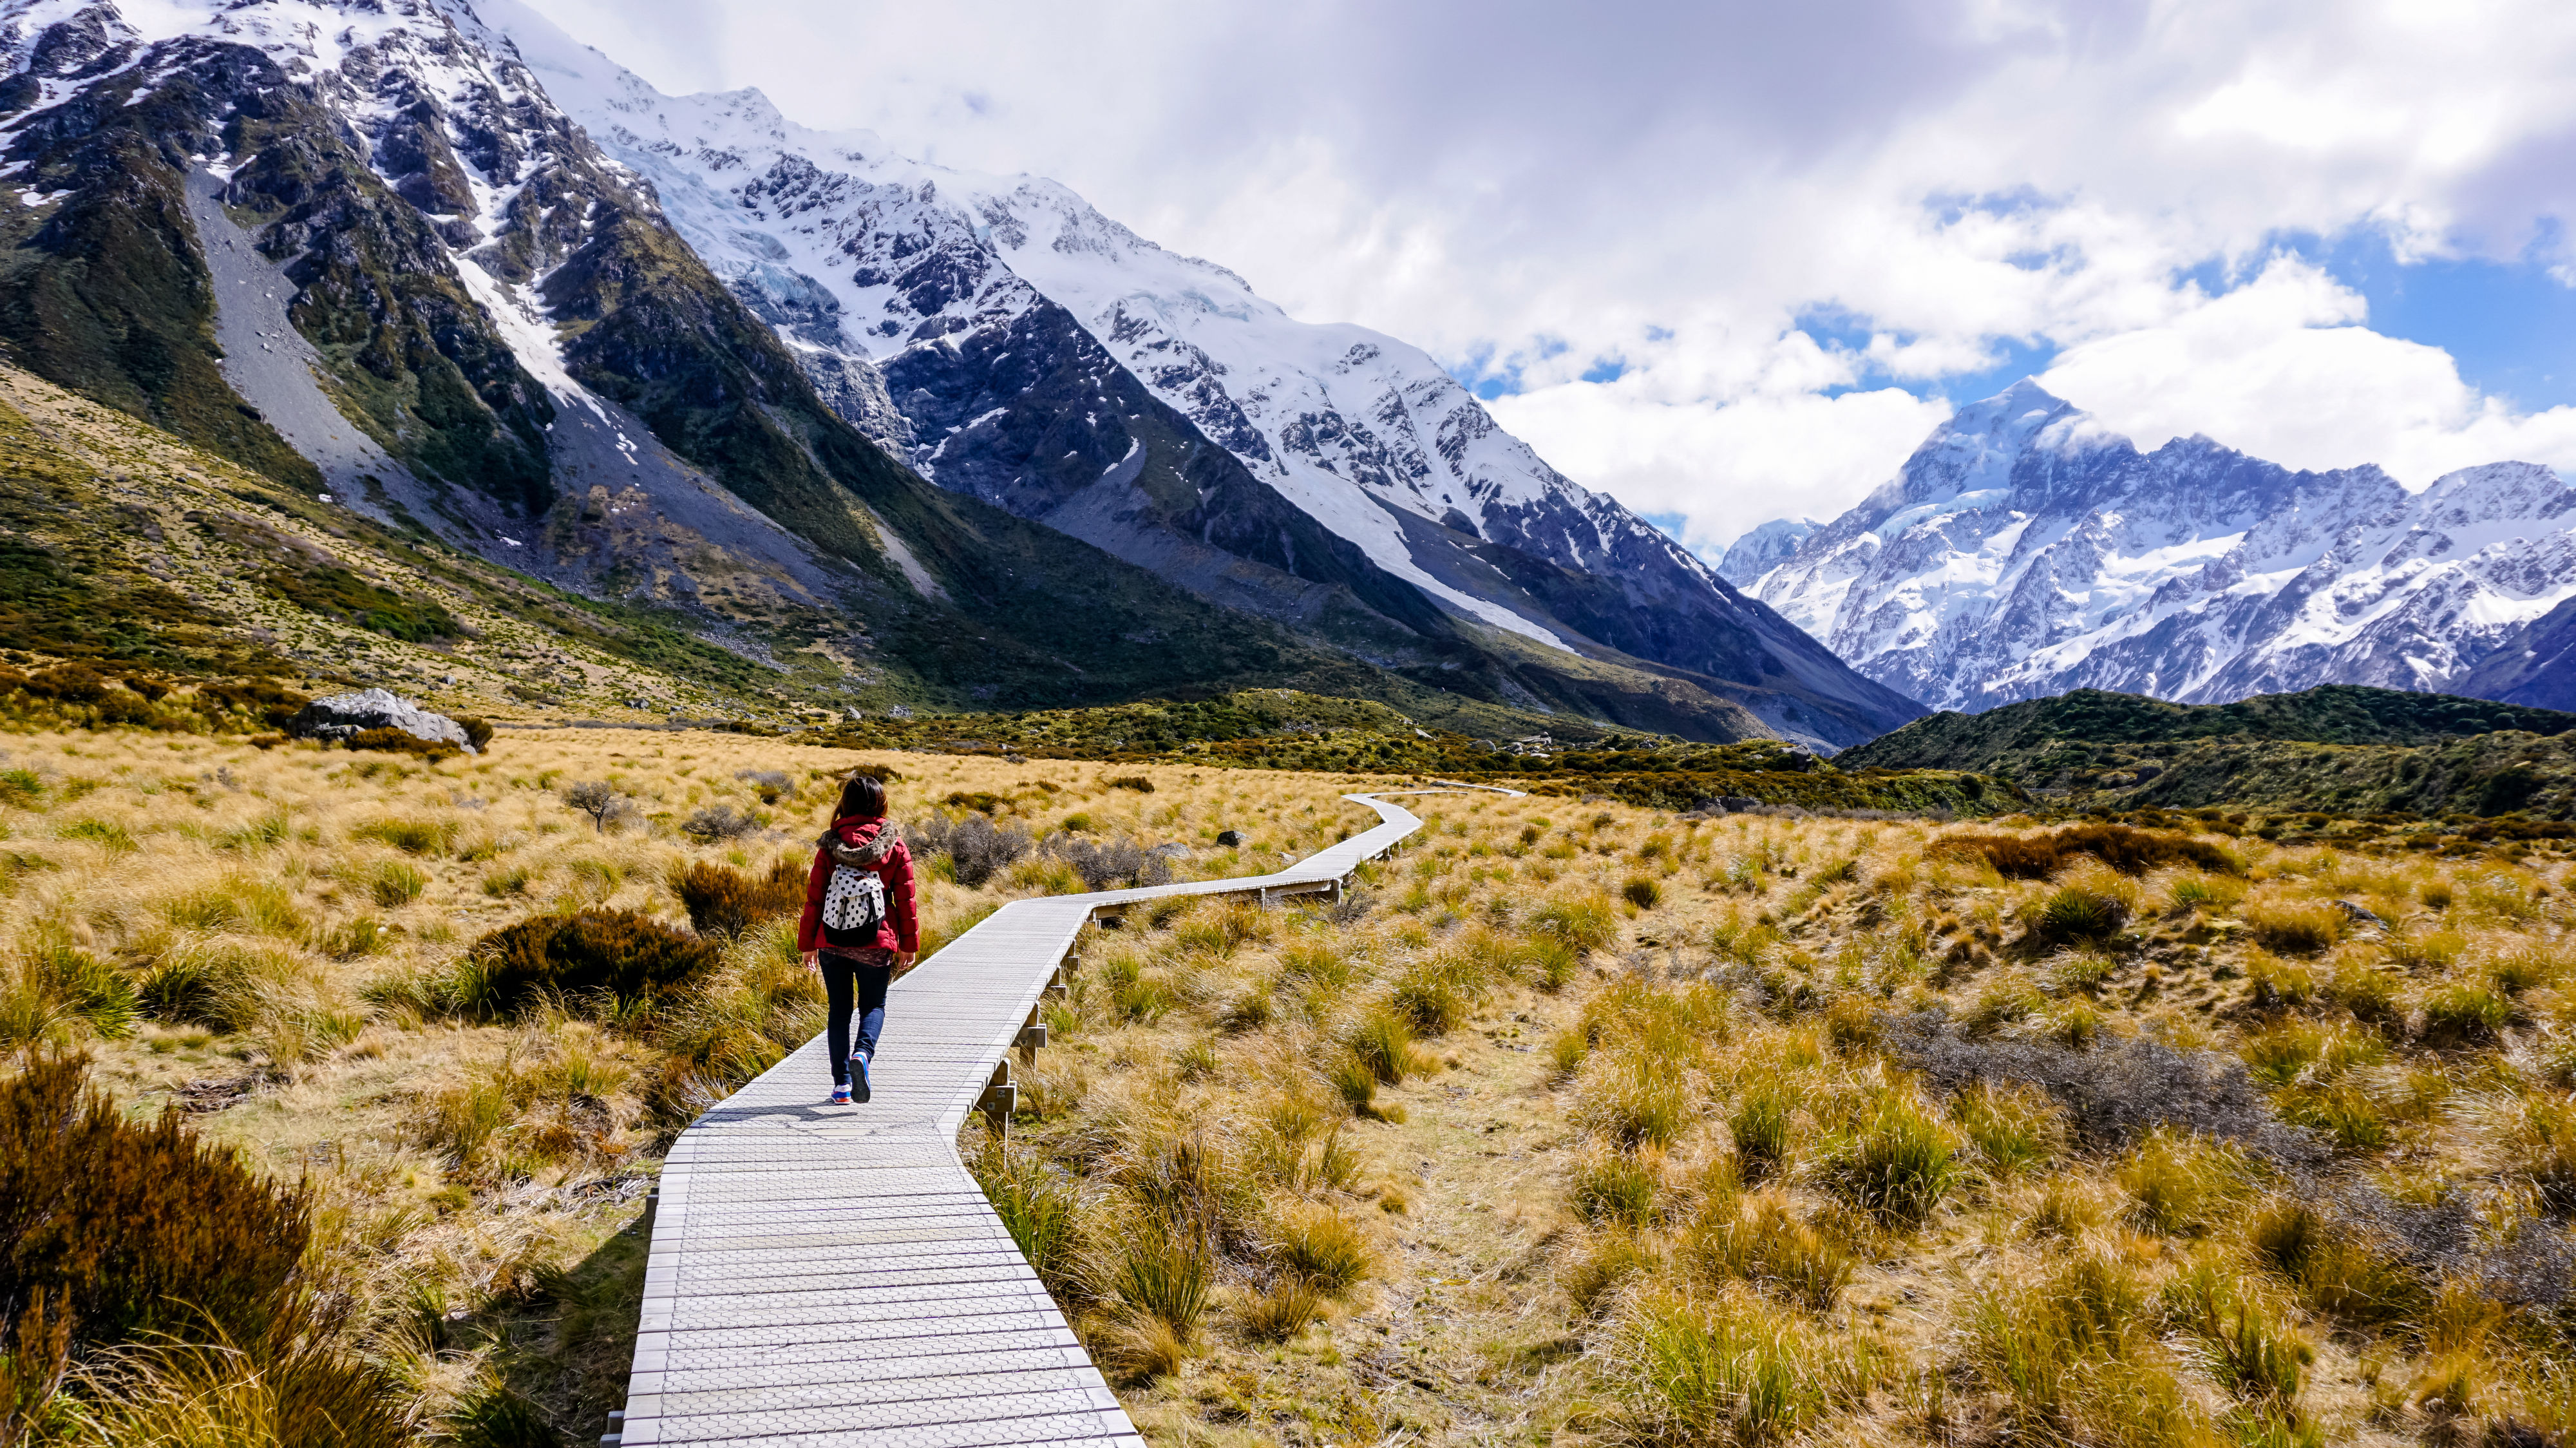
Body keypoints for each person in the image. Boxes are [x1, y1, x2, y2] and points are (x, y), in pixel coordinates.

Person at [796, 773, 918, 1104]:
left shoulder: (830, 844)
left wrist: (808, 943)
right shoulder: (895, 845)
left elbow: (815, 897)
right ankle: (862, 1057)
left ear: (845, 804)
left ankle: (841, 1087)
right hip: (876, 943)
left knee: (839, 1012)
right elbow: (905, 900)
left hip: (831, 941)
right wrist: (909, 944)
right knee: (873, 1005)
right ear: (880, 803)